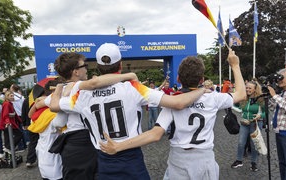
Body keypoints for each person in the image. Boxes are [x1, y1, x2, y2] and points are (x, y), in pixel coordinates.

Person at [51, 43, 209, 180]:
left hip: (104, 159)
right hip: (131, 158)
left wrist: (60, 88)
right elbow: (178, 103)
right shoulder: (133, 87)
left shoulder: (81, 95)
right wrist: (201, 90)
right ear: (120, 65)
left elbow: (55, 105)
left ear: (98, 68)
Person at [99, 49, 246, 180]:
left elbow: (155, 134)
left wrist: (118, 146)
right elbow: (241, 94)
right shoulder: (214, 98)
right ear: (201, 80)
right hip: (204, 158)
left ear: (178, 79)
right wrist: (235, 65)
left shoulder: (172, 101)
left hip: (179, 160)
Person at [48, 52, 140, 180]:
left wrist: (59, 90)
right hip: (81, 143)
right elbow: (95, 83)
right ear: (76, 71)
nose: (87, 68)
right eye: (84, 65)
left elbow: (49, 104)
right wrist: (129, 75)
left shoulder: (70, 89)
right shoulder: (86, 90)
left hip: (86, 143)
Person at [231, 80, 265, 172]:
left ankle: (254, 162)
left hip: (256, 124)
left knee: (254, 145)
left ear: (255, 89)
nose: (247, 89)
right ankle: (239, 160)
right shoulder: (244, 97)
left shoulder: (260, 99)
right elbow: (235, 105)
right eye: (246, 87)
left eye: (250, 88)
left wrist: (260, 115)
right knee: (241, 143)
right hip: (244, 123)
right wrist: (240, 111)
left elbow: (266, 113)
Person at [268, 68, 286, 180]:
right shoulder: (283, 93)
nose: (279, 79)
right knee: (282, 162)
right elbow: (273, 107)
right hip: (280, 131)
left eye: (282, 77)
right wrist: (270, 97)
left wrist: (274, 96)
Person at [22, 96, 39, 167]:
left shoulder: (27, 99)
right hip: (40, 122)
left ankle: (30, 160)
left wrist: (24, 123)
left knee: (33, 142)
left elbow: (24, 112)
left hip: (30, 123)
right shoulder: (40, 99)